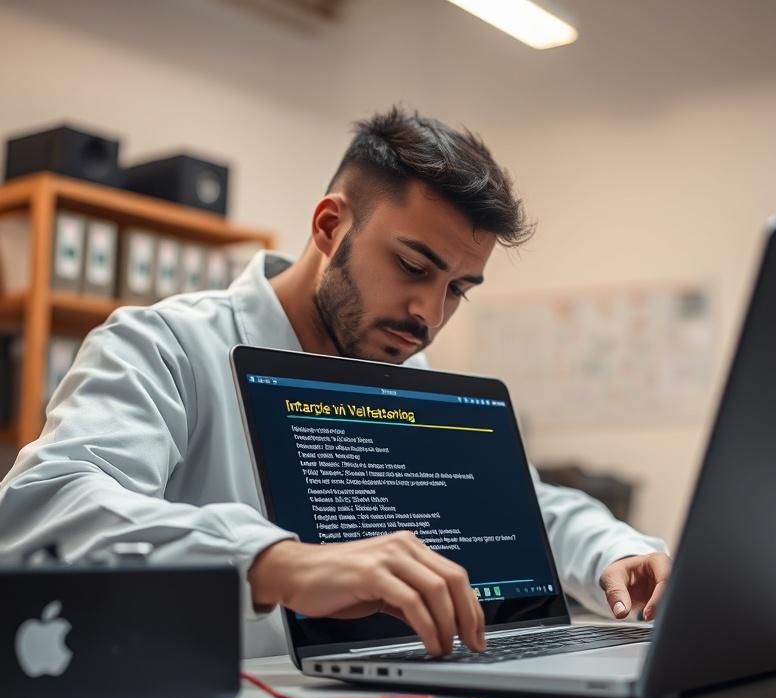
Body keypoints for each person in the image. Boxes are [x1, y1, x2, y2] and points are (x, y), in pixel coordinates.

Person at [0, 107, 670, 658]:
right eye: (413, 266)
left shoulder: (408, 374)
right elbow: (45, 507)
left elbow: (526, 506)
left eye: (458, 289)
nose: (428, 315)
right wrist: (274, 561)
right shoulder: (165, 346)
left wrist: (622, 550)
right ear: (329, 226)